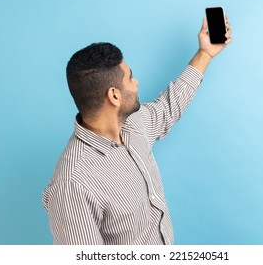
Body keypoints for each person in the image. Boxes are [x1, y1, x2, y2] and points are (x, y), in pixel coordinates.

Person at [42, 17, 232, 245]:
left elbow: (168, 107)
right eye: (130, 77)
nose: (137, 82)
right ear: (114, 95)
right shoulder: (72, 184)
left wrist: (205, 54)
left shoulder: (133, 123)